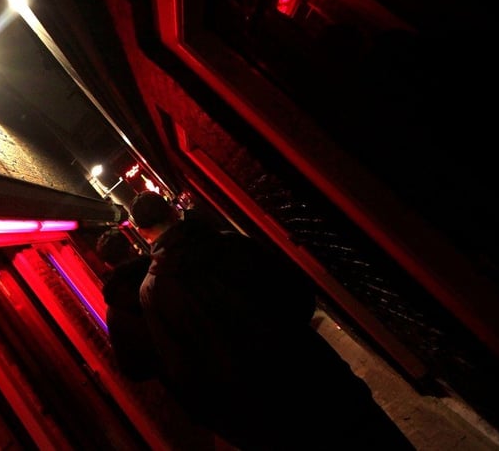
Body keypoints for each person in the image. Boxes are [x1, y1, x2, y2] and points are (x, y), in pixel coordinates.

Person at [130, 190, 415, 451]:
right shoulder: (230, 244)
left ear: (143, 232)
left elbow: (187, 376)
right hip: (317, 377)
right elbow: (298, 295)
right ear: (173, 212)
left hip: (267, 416)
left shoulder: (154, 293)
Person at [95, 228, 157, 381]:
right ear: (131, 248)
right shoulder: (162, 268)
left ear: (108, 265)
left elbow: (132, 369)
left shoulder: (115, 311)